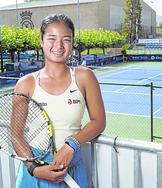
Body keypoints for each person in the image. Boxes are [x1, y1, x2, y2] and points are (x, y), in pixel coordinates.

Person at [14, 14, 105, 188]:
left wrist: (72, 145)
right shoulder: (25, 84)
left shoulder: (85, 76)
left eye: (66, 39)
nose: (59, 46)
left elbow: (99, 121)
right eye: (52, 38)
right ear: (41, 41)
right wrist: (34, 168)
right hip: (34, 173)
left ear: (72, 43)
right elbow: (16, 135)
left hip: (72, 169)